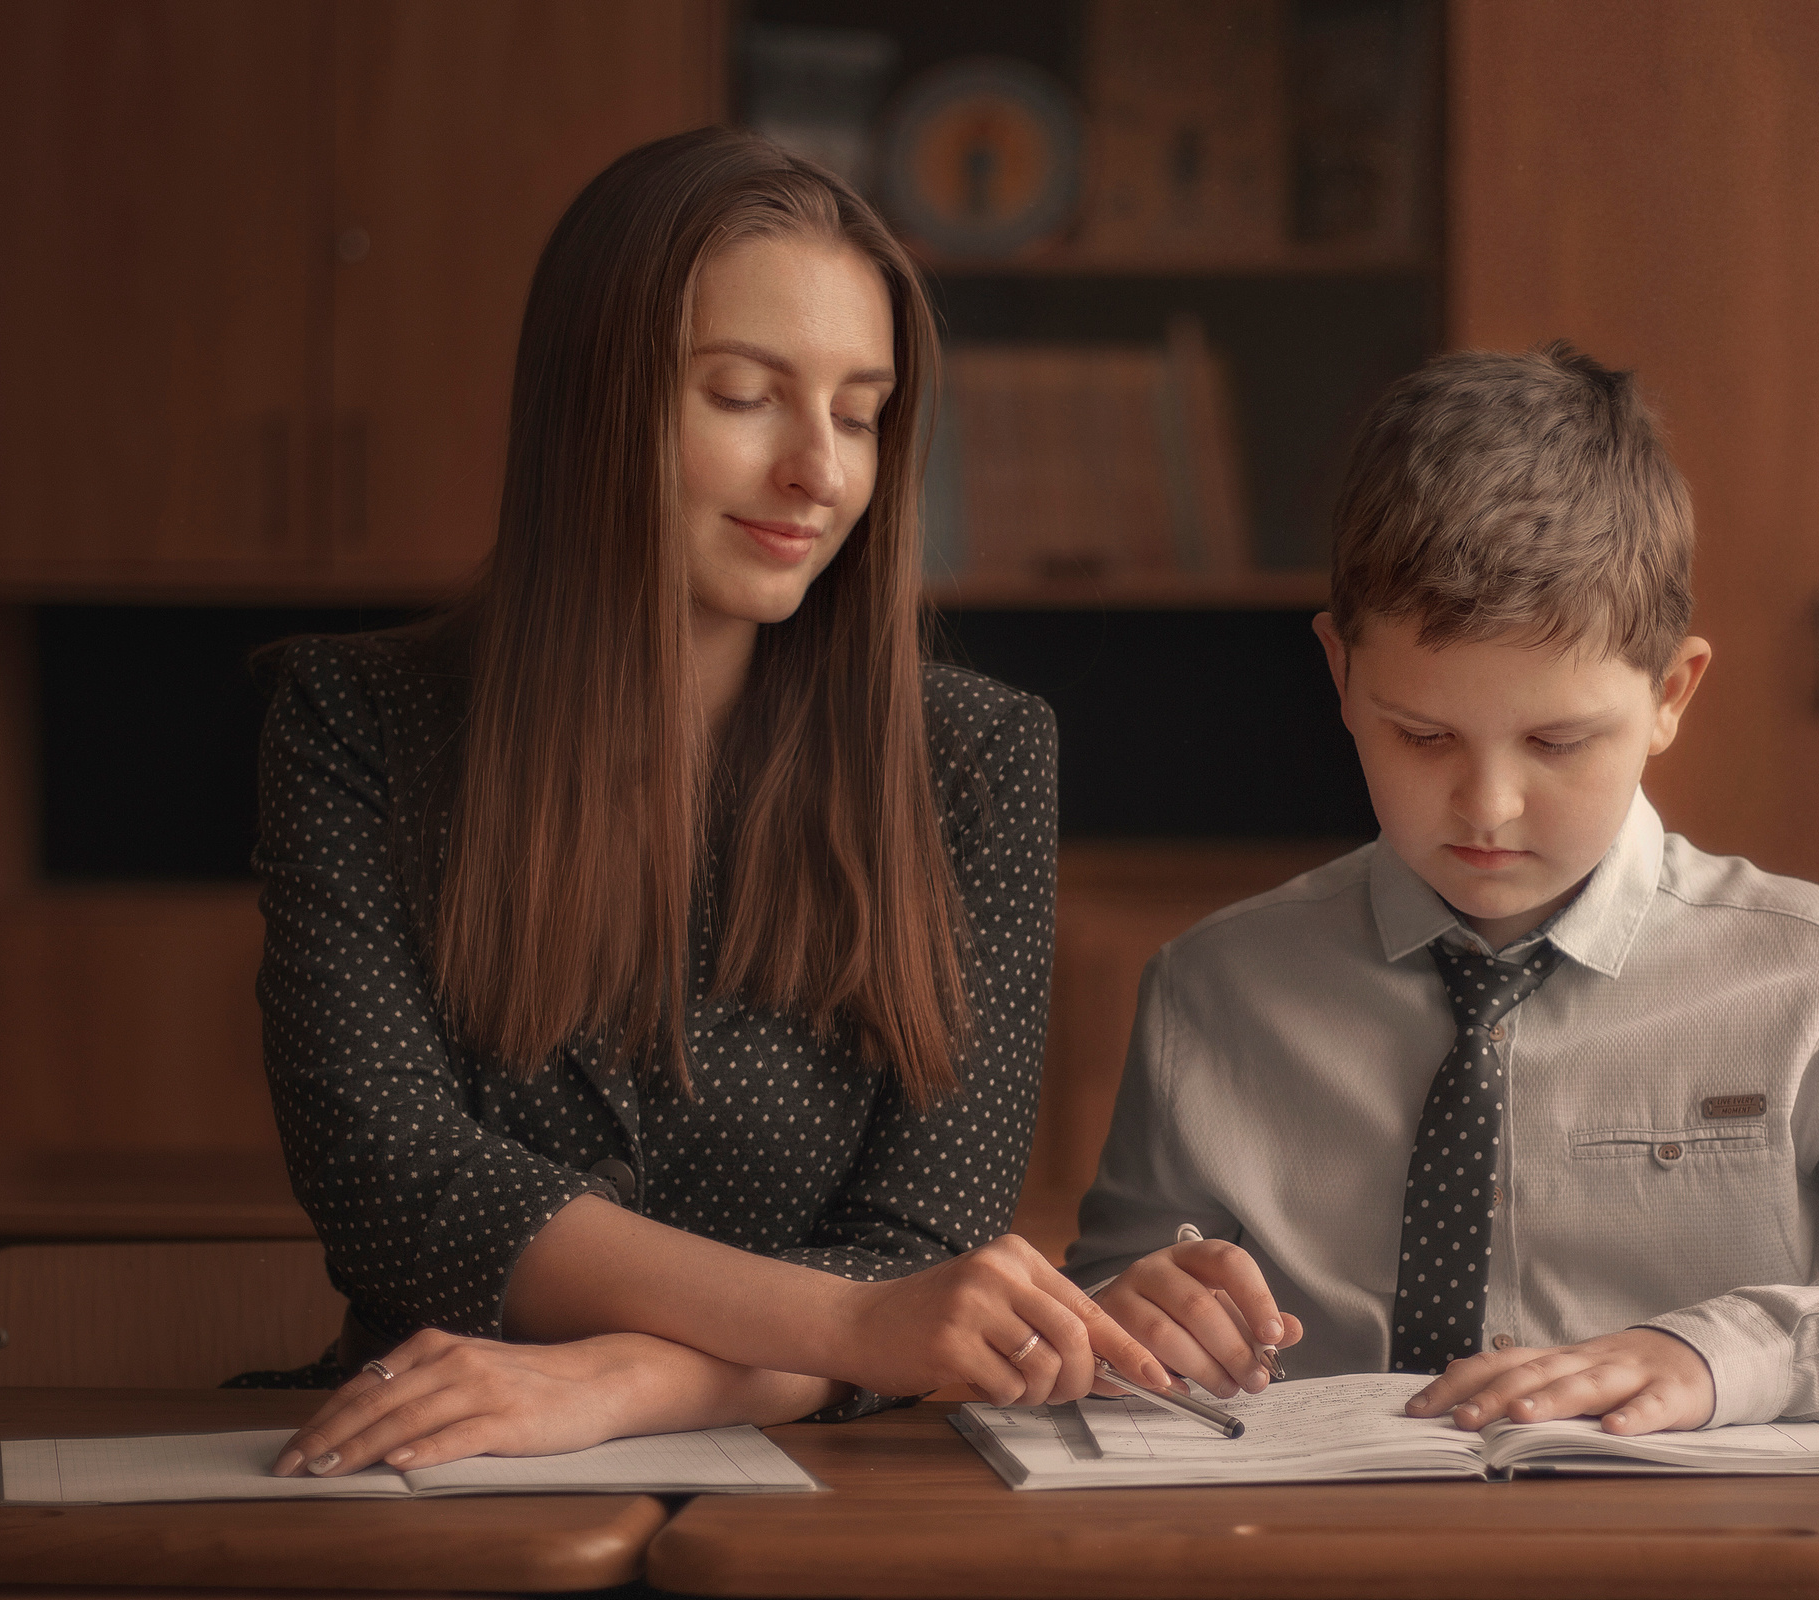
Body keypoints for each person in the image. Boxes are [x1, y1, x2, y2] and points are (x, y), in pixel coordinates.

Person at [252, 130, 1177, 1481]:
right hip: (431, 1477)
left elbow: (927, 1251)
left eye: (860, 415)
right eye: (746, 395)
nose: (821, 472)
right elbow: (396, 1187)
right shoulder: (354, 723)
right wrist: (854, 1321)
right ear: (593, 407)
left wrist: (622, 1386)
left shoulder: (974, 758)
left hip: (837, 1501)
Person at [1068, 346, 1819, 1435]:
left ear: (1670, 694)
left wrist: (1725, 1352)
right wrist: (1126, 1323)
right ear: (1339, 678)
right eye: (1421, 736)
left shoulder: (1815, 985)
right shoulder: (1209, 994)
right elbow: (1116, 1318)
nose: (1486, 805)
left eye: (1557, 740)